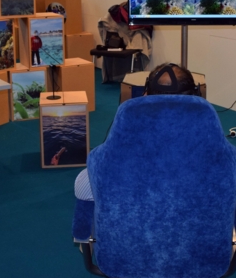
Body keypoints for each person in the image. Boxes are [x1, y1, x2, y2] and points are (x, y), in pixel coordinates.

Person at [74, 63, 202, 202]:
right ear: (196, 98)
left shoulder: (120, 152)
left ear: (145, 95)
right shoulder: (218, 153)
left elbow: (82, 189)